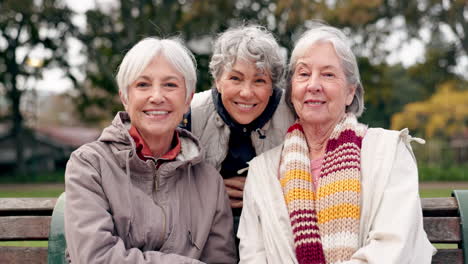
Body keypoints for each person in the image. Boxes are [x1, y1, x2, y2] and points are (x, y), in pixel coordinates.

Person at [238, 23, 436, 263]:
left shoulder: (389, 152)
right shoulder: (262, 171)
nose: (313, 85)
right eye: (303, 74)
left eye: (328, 74)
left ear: (350, 92)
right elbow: (253, 257)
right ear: (291, 91)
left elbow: (392, 248)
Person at [64, 37, 236, 263]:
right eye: (143, 85)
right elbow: (95, 258)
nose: (156, 97)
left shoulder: (209, 181)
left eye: (170, 85)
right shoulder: (89, 165)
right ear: (125, 97)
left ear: (188, 100)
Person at [183, 25, 295, 231]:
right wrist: (211, 193)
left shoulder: (293, 116)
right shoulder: (190, 115)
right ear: (218, 80)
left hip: (273, 231)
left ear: (273, 86)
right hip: (206, 230)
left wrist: (261, 193)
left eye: (259, 80)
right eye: (235, 78)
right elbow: (168, 185)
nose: (246, 92)